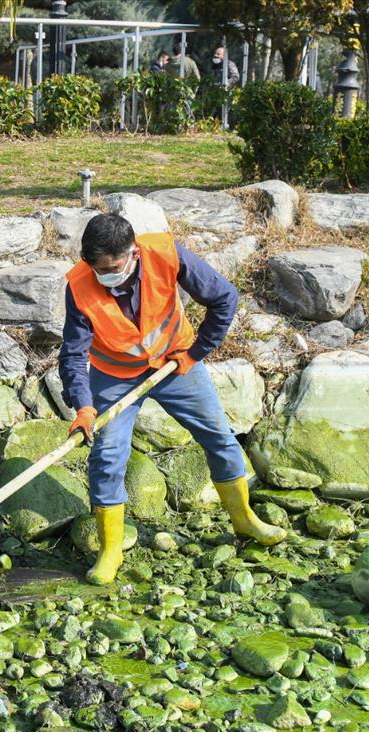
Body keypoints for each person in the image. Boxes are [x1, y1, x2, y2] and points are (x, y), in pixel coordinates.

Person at [59, 214, 285, 585]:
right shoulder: (80, 285)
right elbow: (72, 354)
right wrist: (83, 405)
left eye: (112, 269)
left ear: (133, 252)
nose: (104, 276)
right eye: (97, 269)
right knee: (107, 454)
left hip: (175, 362)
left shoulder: (165, 253)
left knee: (218, 436)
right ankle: (110, 550)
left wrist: (196, 353)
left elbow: (224, 297)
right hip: (115, 375)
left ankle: (244, 520)